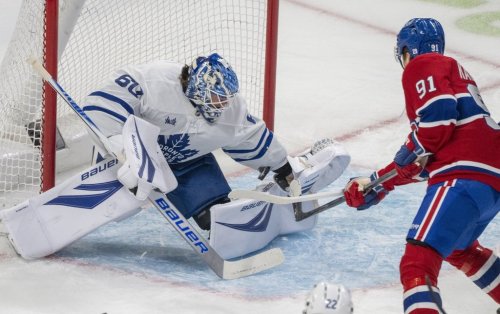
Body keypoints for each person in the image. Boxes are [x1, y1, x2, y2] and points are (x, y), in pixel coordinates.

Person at [0, 53, 351, 260]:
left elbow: (253, 138)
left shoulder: (231, 110)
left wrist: (284, 170)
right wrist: (122, 149)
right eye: (215, 99)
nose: (223, 106)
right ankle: (24, 227)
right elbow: (100, 105)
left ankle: (279, 206)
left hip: (190, 162)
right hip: (134, 155)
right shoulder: (154, 82)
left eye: (226, 98)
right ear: (196, 91)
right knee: (115, 206)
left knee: (216, 221)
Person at [342, 18, 499, 313]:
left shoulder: (423, 64)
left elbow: (438, 122)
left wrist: (397, 163)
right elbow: (430, 158)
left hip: (463, 176)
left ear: (406, 50)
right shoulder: (456, 75)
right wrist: (379, 183)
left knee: (417, 263)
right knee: (458, 248)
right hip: (489, 180)